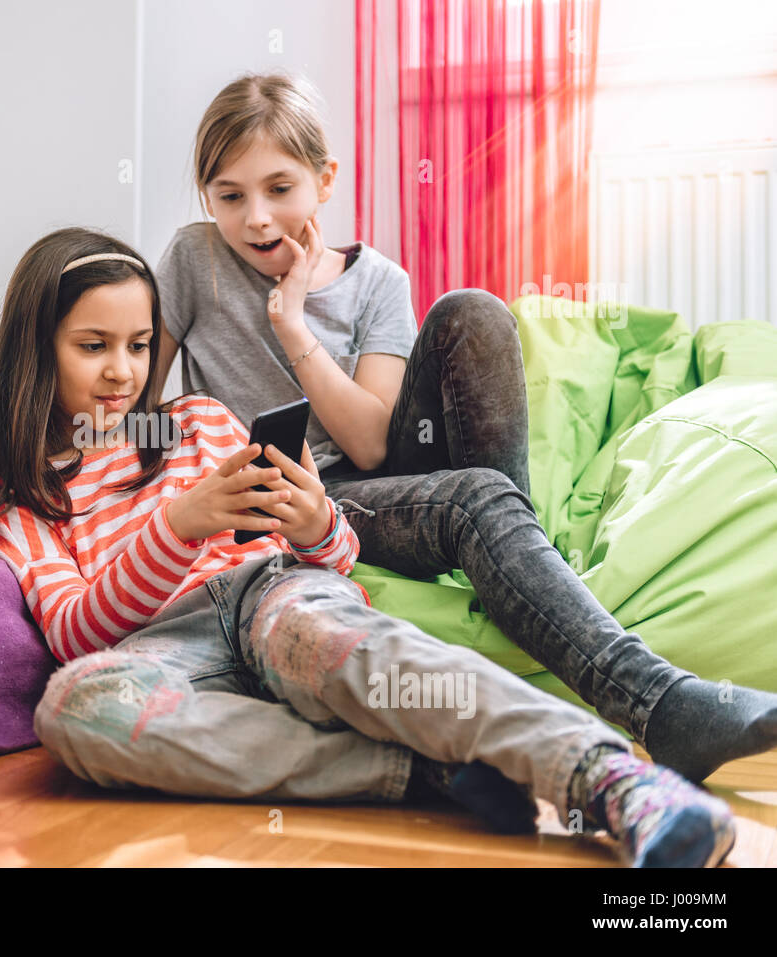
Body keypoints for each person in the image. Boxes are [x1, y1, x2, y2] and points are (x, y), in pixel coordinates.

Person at [0, 225, 737, 867]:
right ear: (38, 350)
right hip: (159, 645)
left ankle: (609, 779)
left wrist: (312, 523)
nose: (123, 370)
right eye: (93, 346)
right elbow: (75, 632)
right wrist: (177, 527)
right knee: (76, 708)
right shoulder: (18, 489)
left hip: (268, 591)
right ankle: (418, 769)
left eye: (139, 345)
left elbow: (335, 554)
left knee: (358, 651)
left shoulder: (197, 420)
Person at [153, 71, 777, 784]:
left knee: (473, 309)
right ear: (207, 197)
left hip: (373, 472)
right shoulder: (192, 260)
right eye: (229, 196)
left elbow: (370, 443)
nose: (256, 219)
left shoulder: (377, 282)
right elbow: (140, 401)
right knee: (473, 497)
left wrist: (293, 325)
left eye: (279, 189)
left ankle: (524, 564)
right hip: (301, 500)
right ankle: (662, 705)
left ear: (324, 181)